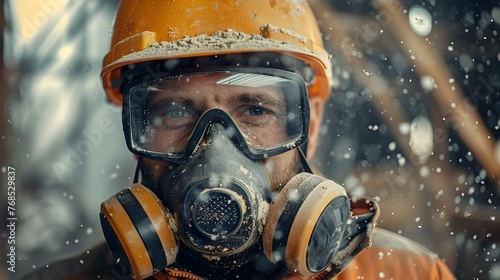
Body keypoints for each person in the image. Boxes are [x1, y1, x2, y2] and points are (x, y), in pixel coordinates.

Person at [23, 0, 456, 279]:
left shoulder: (412, 274)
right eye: (175, 111)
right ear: (134, 126)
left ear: (313, 121)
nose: (215, 151)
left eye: (255, 110)